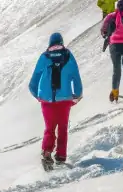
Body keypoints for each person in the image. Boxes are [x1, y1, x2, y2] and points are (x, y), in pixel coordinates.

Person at [28, 31, 83, 171]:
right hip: (65, 99)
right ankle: (61, 156)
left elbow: (33, 82)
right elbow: (76, 76)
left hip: (47, 100)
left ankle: (47, 153)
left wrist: (38, 95)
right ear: (61, 42)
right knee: (63, 128)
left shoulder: (44, 57)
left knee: (49, 128)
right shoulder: (68, 56)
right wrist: (77, 95)